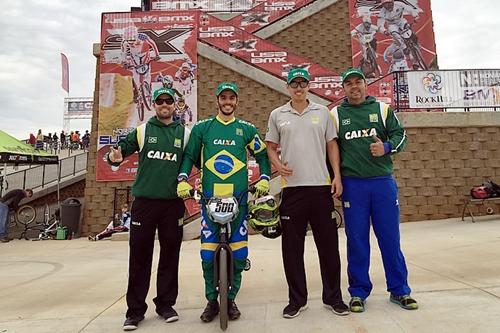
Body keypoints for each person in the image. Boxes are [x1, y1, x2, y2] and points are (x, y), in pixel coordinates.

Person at [176, 82, 271, 323]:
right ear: (217, 100)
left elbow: (261, 154)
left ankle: (231, 298)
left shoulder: (246, 129)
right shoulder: (202, 128)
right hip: (210, 200)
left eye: (232, 98)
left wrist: (265, 178)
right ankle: (211, 300)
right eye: (223, 98)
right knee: (207, 255)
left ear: (237, 101)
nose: (227, 102)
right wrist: (183, 179)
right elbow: (189, 156)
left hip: (239, 201)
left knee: (240, 254)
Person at [330, 67, 417, 313]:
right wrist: (334, 178)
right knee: (356, 241)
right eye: (349, 83)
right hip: (353, 186)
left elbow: (401, 135)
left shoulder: (382, 109)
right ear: (343, 88)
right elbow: (330, 149)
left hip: (382, 183)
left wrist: (387, 147)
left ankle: (400, 290)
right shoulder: (336, 114)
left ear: (365, 85)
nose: (354, 87)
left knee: (390, 239)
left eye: (358, 82)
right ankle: (358, 292)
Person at [265, 68, 349, 318]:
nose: (299, 88)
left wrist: (337, 176)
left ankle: (333, 297)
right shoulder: (277, 115)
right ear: (287, 87)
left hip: (320, 188)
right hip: (292, 191)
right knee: (292, 249)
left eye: (303, 83)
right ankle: (297, 300)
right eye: (294, 84)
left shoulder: (322, 112)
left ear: (308, 86)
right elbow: (270, 146)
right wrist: (277, 164)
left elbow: (332, 144)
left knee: (329, 247)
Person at [107, 87, 190, 331]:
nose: (164, 104)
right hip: (144, 204)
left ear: (175, 105)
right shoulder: (143, 131)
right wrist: (114, 157)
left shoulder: (184, 135)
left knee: (169, 257)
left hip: (172, 205)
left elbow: (196, 160)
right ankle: (134, 311)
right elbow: (117, 155)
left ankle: (165, 305)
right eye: (160, 101)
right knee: (140, 257)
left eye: (169, 101)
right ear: (154, 105)